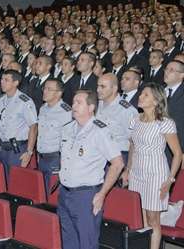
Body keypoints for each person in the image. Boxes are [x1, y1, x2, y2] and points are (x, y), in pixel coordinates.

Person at [58, 90, 124, 249]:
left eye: (78, 103)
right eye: (73, 102)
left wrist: (102, 194)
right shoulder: (67, 128)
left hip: (85, 195)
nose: (73, 106)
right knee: (68, 241)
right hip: (65, 192)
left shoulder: (100, 131)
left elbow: (118, 163)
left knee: (87, 242)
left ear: (91, 107)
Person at [121, 83, 183, 249]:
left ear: (156, 101)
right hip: (137, 172)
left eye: (145, 95)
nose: (140, 97)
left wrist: (170, 180)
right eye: (141, 94)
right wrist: (127, 169)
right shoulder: (135, 120)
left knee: (153, 218)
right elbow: (132, 146)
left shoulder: (165, 123)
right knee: (140, 217)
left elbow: (177, 153)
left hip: (156, 173)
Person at [0, 70, 38, 178]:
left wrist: (29, 152)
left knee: (14, 181)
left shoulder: (25, 102)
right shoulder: (1, 100)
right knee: (0, 181)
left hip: (17, 149)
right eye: (2, 79)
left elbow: (33, 127)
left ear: (16, 83)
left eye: (6, 80)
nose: (2, 82)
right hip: (2, 147)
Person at [37, 78, 71, 192]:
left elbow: (68, 140)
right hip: (41, 157)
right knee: (41, 192)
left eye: (49, 89)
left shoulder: (66, 112)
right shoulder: (43, 108)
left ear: (59, 93)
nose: (44, 91)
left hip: (55, 159)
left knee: (53, 195)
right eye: (44, 88)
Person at [96, 73, 138, 163]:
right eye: (98, 86)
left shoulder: (127, 110)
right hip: (99, 154)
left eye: (103, 87)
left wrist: (128, 169)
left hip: (119, 157)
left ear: (114, 88)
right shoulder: (98, 104)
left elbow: (134, 141)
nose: (98, 90)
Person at [164, 61, 184, 162]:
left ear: (182, 75)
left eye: (171, 70)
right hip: (155, 147)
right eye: (166, 69)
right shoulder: (159, 91)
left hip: (175, 149)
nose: (166, 72)